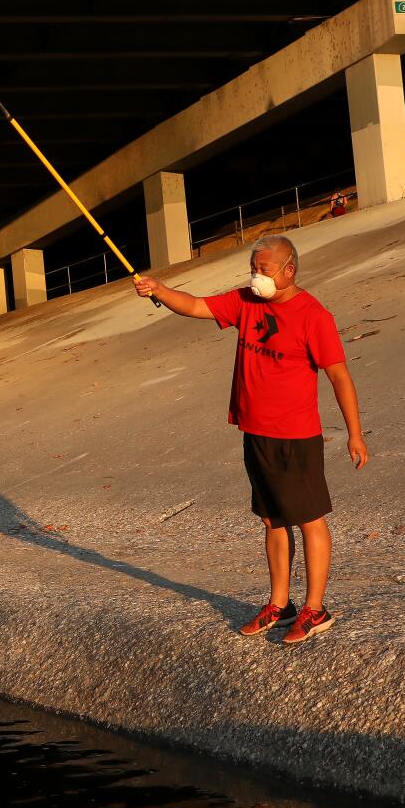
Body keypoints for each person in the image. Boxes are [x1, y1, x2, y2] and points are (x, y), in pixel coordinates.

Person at [133, 235, 367, 644]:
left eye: (264, 269)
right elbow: (195, 305)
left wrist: (355, 434)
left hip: (296, 436)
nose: (256, 276)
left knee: (310, 520)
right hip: (255, 431)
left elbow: (339, 376)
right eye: (253, 268)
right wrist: (159, 290)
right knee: (272, 519)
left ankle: (316, 609)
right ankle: (281, 604)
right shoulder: (245, 302)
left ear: (288, 270)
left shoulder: (314, 316)